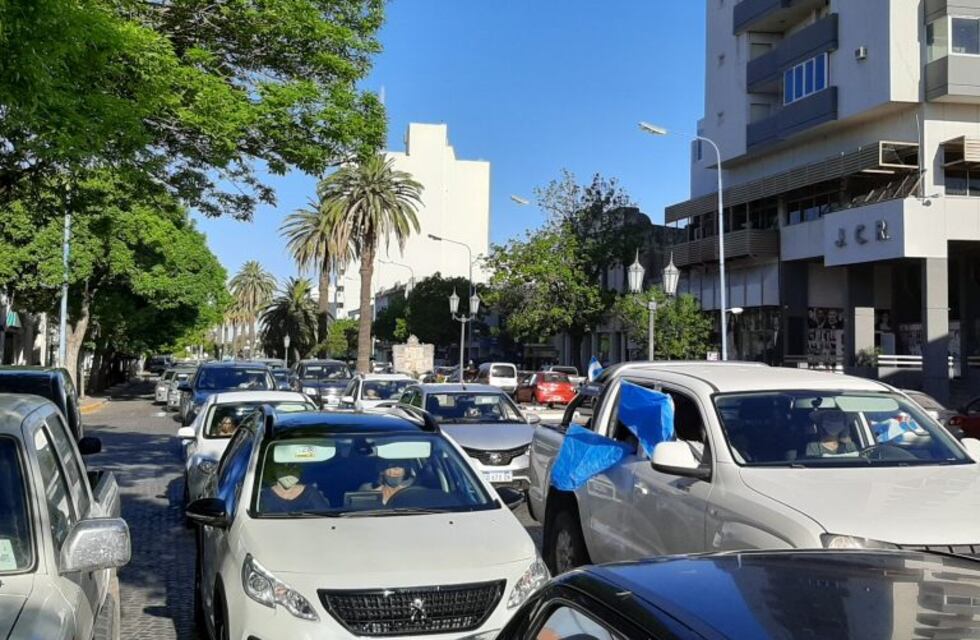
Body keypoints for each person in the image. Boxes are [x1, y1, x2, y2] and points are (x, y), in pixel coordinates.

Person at [259, 462, 330, 513]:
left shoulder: (311, 493)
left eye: (294, 467)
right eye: (283, 468)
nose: (289, 472)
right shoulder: (263, 496)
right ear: (274, 470)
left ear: (300, 471)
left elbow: (326, 519)